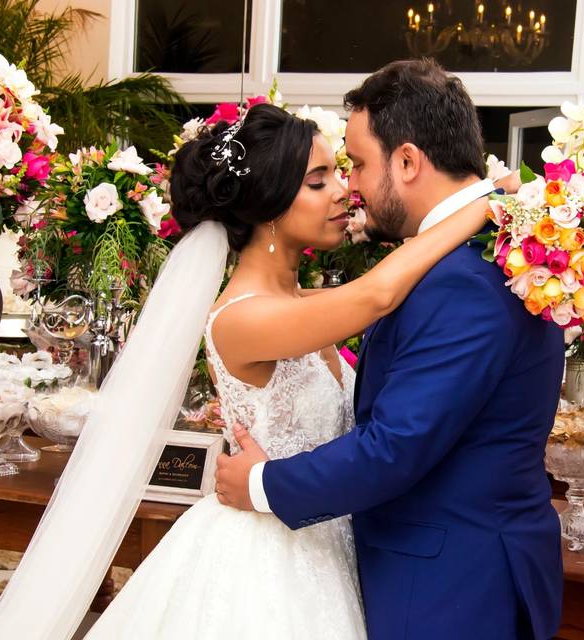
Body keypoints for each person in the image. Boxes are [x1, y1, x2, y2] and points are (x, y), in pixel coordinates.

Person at [0, 98, 513, 639]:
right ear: (268, 205)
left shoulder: (302, 303)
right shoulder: (243, 318)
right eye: (318, 181)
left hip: (323, 542)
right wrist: (481, 205)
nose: (342, 192)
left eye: (338, 174)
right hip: (267, 562)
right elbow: (378, 293)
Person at [215, 59, 566, 640]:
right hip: (432, 567)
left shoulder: (463, 275)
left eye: (355, 164)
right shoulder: (489, 252)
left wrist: (261, 484)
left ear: (406, 162)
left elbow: (395, 446)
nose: (349, 187)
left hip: (449, 583)